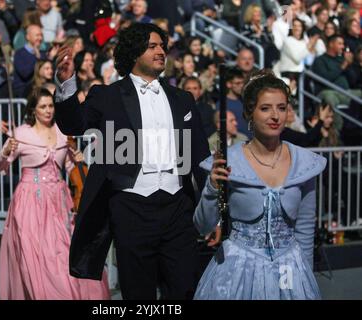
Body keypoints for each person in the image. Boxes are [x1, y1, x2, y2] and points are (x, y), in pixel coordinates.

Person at [55, 22, 210, 300]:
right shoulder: (107, 95)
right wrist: (66, 86)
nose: (161, 51)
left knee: (184, 288)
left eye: (162, 45)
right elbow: (72, 125)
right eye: (152, 46)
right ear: (134, 53)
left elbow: (202, 159)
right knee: (138, 294)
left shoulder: (183, 99)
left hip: (179, 207)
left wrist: (214, 214)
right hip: (131, 207)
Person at [193, 70, 326, 300]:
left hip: (290, 272)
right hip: (236, 274)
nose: (275, 116)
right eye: (265, 108)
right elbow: (202, 226)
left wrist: (304, 279)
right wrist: (212, 188)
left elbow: (305, 230)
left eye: (282, 108)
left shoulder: (305, 163)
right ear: (250, 114)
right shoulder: (228, 161)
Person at [0, 87, 110, 300]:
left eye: (51, 106)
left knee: (62, 251)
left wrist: (79, 160)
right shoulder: (21, 133)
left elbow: (70, 167)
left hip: (58, 201)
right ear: (33, 110)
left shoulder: (63, 132)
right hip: (29, 202)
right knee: (33, 253)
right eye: (43, 106)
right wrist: (5, 151)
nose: (48, 110)